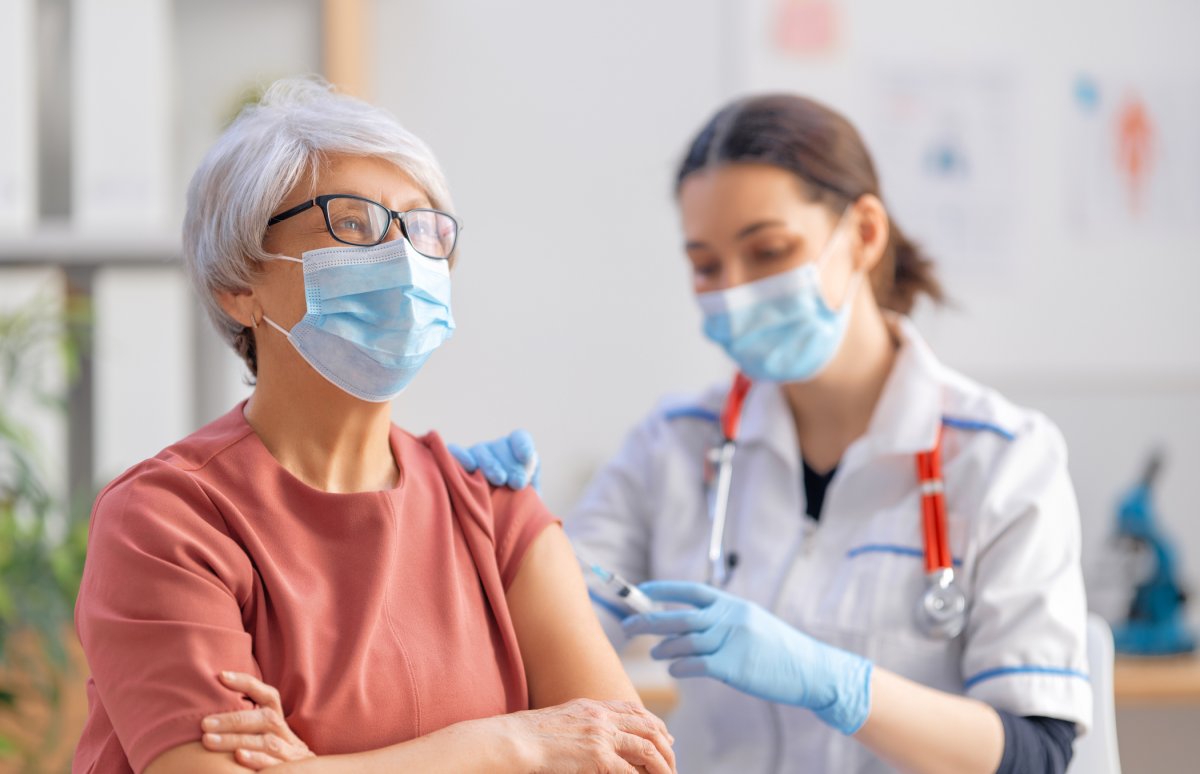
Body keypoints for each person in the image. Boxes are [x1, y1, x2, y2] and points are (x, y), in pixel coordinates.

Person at [452, 94, 1091, 773]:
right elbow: (541, 645)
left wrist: (836, 683)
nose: (733, 290)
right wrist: (483, 525)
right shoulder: (672, 446)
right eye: (705, 265)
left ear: (865, 234)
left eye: (768, 251)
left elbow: (1038, 755)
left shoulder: (1003, 458)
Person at [72, 77, 675, 774]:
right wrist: (515, 743)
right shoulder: (169, 521)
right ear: (238, 286)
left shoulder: (494, 510)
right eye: (351, 224)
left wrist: (315, 767)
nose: (402, 259)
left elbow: (630, 759)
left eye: (423, 228)